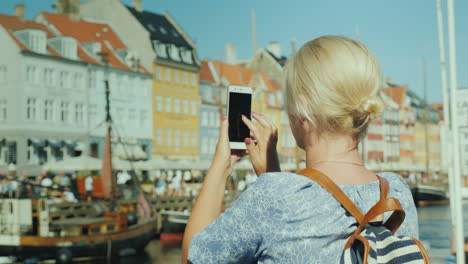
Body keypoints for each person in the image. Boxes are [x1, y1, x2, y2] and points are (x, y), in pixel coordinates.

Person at [182, 36, 418, 263]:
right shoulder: (396, 194)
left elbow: (194, 257)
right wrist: (273, 175)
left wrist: (222, 166)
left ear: (303, 109)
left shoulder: (275, 197)